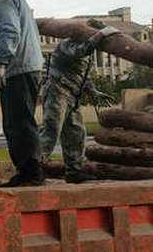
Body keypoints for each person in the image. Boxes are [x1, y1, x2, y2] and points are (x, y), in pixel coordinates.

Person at [0, 0, 45, 187]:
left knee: (16, 122)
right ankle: (32, 170)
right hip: (31, 66)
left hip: (17, 68)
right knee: (23, 119)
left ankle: (30, 173)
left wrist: (0, 63)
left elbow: (10, 32)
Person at [40, 20, 118, 183]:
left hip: (72, 96)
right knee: (51, 131)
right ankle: (33, 167)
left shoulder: (87, 54)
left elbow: (83, 77)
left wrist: (94, 91)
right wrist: (101, 34)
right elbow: (80, 52)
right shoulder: (68, 45)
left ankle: (74, 170)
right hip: (57, 91)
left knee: (76, 133)